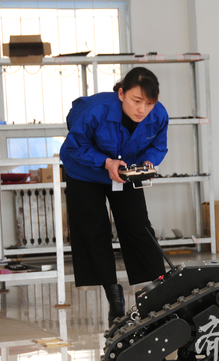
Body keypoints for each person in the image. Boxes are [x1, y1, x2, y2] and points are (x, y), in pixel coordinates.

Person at [59, 67, 169, 326]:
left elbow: (158, 145)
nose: (142, 109)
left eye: (149, 103)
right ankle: (113, 295)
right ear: (121, 94)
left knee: (138, 226)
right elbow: (72, 148)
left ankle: (160, 290)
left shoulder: (159, 115)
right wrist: (105, 162)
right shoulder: (96, 111)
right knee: (92, 230)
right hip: (85, 172)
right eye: (136, 101)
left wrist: (148, 163)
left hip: (125, 171)